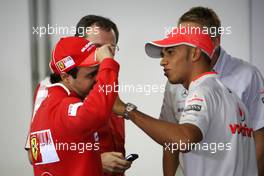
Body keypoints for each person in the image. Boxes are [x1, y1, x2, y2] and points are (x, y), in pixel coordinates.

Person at [113, 27, 258, 176]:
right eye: (163, 55)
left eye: (170, 52)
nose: (163, 62)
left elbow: (184, 139)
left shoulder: (203, 91)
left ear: (195, 53)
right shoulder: (233, 98)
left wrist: (127, 110)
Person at [159, 7, 264, 176]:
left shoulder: (248, 76)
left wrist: (130, 111)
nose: (164, 61)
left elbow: (260, 138)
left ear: (215, 41)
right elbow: (170, 139)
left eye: (194, 38)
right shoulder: (174, 81)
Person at [25, 15, 131, 175]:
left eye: (110, 48)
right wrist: (95, 161)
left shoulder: (106, 80)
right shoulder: (51, 87)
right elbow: (36, 154)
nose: (105, 55)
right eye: (97, 47)